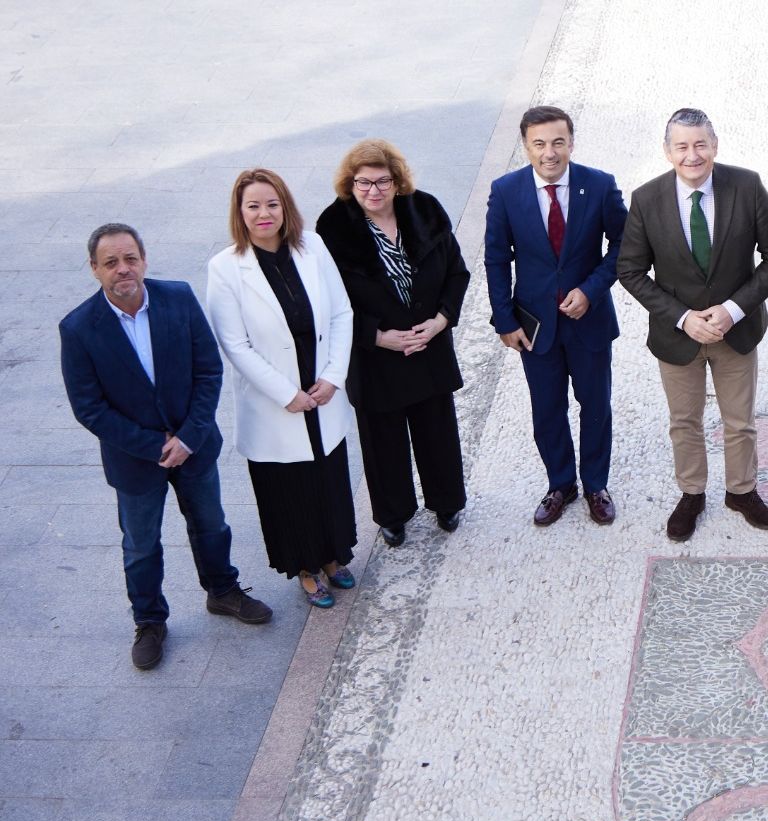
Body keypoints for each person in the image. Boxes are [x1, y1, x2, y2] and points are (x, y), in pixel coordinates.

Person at [61, 224, 272, 670]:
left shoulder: (178, 297)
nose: (124, 269)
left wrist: (190, 436)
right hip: (136, 461)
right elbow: (89, 408)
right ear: (94, 269)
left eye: (130, 258)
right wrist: (156, 445)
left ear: (144, 258)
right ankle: (150, 621)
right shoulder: (78, 328)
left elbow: (209, 371)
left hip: (194, 446)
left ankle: (223, 591)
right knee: (141, 544)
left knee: (211, 523)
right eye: (112, 262)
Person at [618, 107, 768, 541]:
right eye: (682, 146)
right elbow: (630, 270)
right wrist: (682, 318)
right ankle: (692, 494)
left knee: (740, 420)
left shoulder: (746, 186)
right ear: (667, 151)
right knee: (684, 422)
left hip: (738, 331)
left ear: (714, 145)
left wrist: (734, 309)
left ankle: (741, 491)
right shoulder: (646, 199)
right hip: (678, 337)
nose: (692, 155)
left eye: (700, 144)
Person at [206, 169, 358, 609]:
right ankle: (306, 569)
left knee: (328, 479)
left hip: (322, 391)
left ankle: (333, 557)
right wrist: (286, 394)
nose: (263, 213)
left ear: (284, 206)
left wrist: (333, 375)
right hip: (276, 405)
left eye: (271, 204)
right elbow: (235, 344)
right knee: (289, 491)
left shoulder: (313, 247)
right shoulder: (225, 268)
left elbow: (342, 313)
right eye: (252, 206)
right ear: (240, 213)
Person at [317, 140, 469, 548]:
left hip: (427, 345)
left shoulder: (426, 210)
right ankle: (393, 514)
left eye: (382, 180)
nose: (373, 190)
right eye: (363, 182)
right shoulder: (332, 230)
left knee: (437, 431)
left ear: (397, 180)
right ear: (350, 184)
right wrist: (377, 336)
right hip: (375, 356)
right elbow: (329, 302)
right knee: (382, 442)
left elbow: (457, 273)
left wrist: (440, 322)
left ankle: (447, 502)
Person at [485, 106, 628, 527]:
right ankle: (560, 484)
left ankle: (596, 485)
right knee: (547, 409)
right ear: (526, 146)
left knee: (596, 405)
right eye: (540, 143)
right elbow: (496, 258)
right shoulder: (506, 190)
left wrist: (590, 289)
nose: (550, 153)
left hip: (590, 320)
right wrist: (504, 320)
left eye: (558, 142)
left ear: (571, 143)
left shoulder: (599, 185)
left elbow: (625, 247)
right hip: (535, 326)